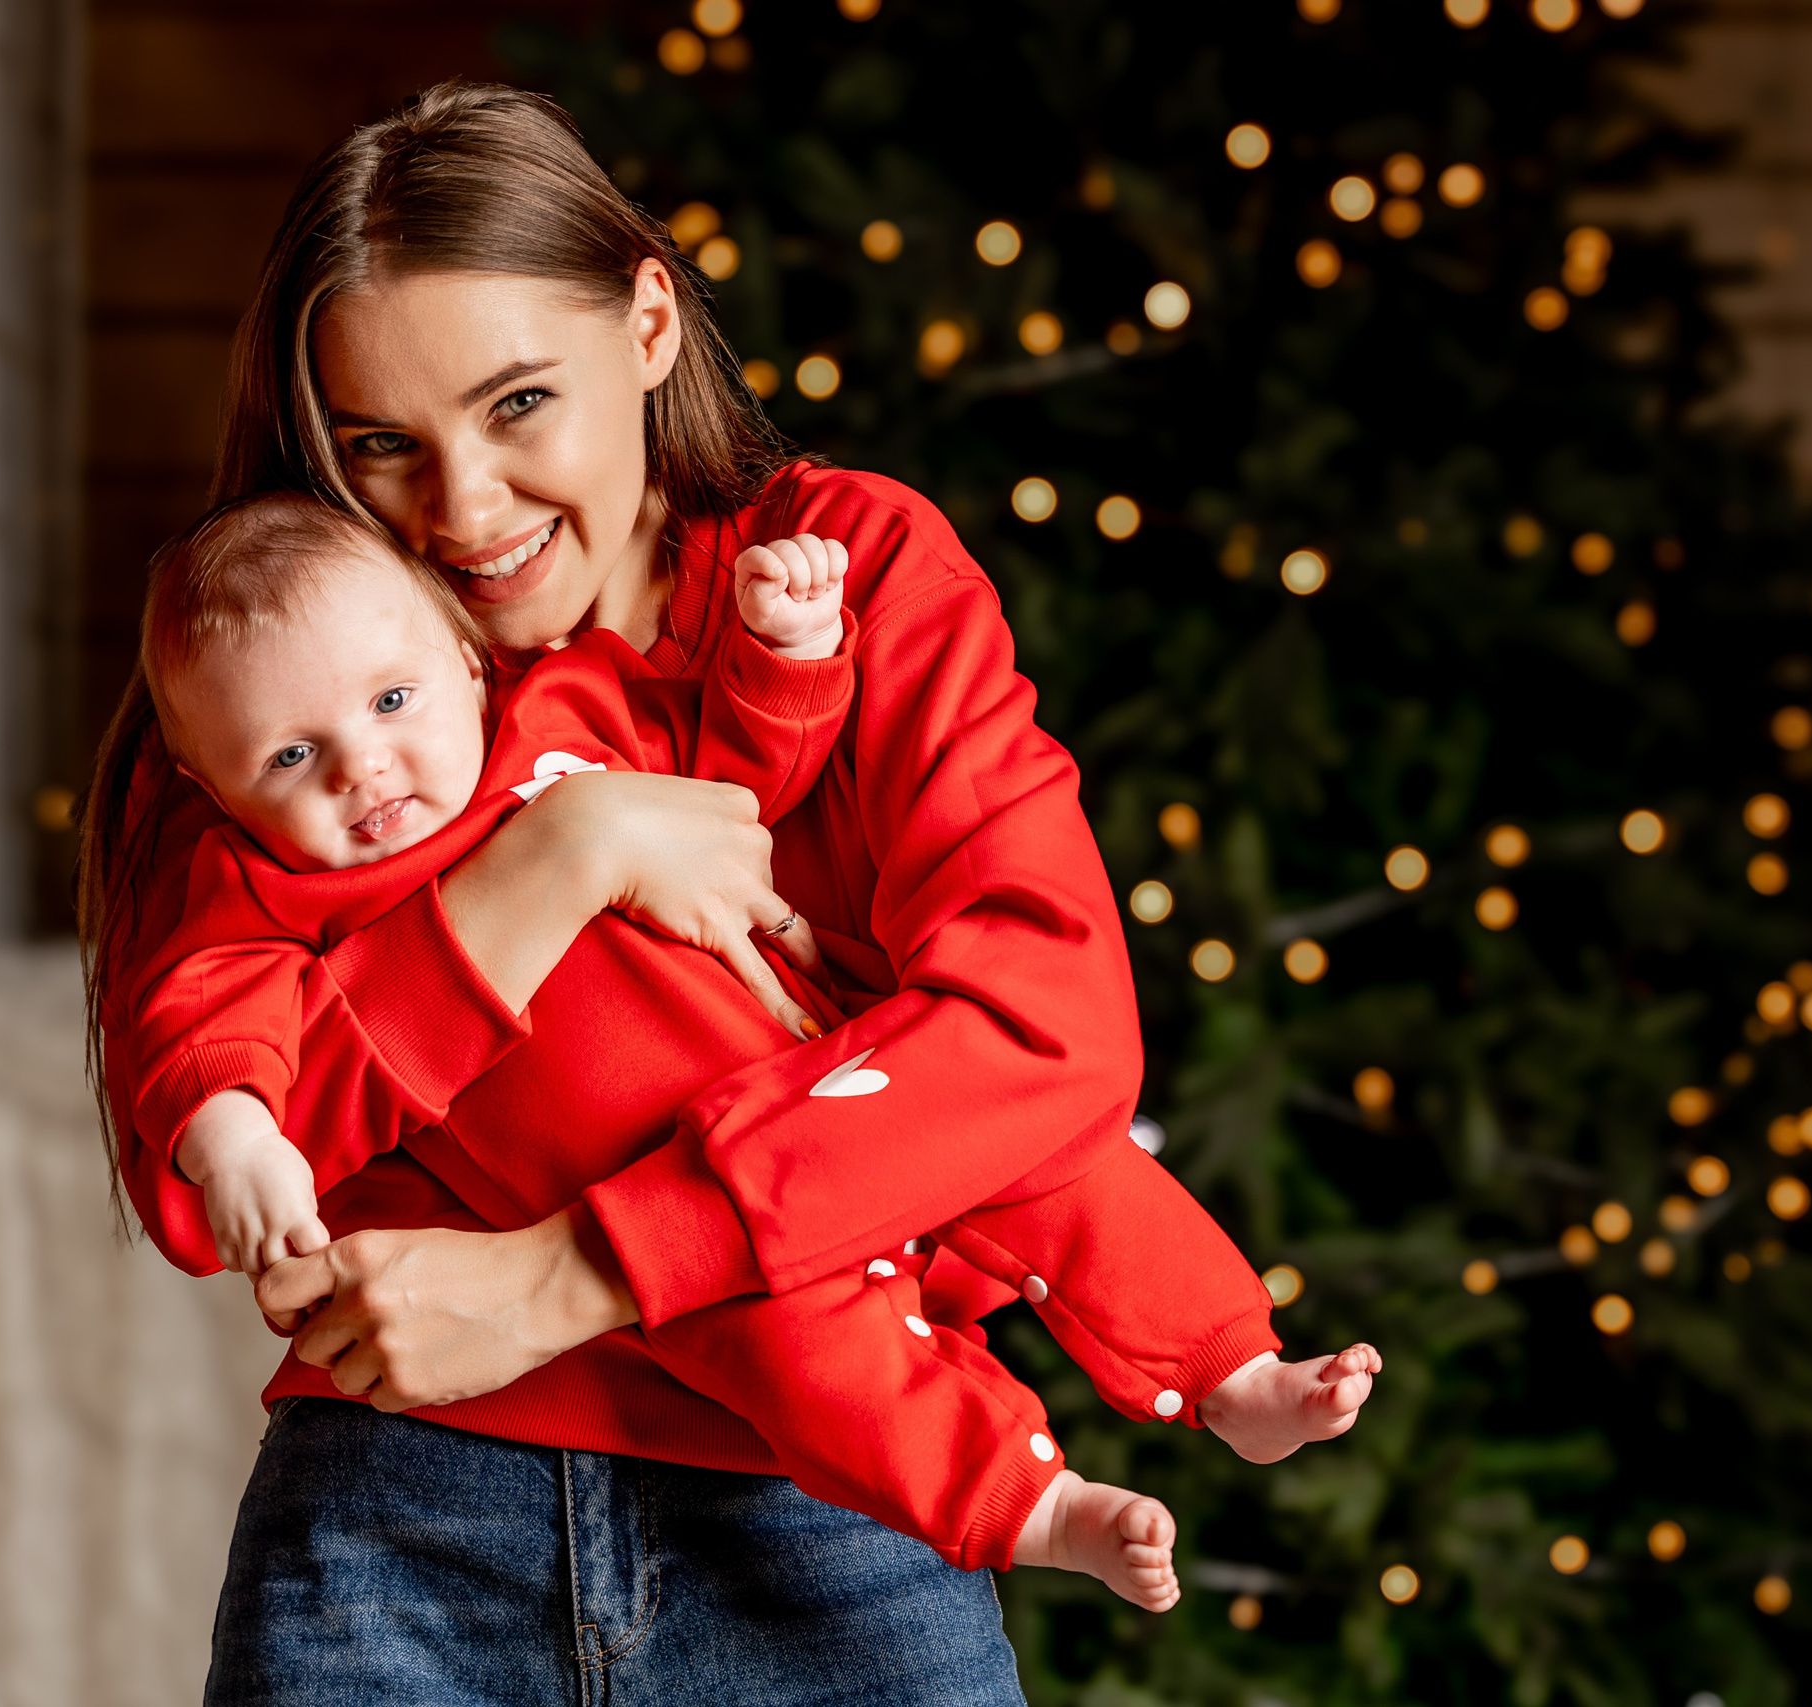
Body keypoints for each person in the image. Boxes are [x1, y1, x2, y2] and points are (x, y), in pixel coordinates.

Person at [82, 82, 1379, 1704]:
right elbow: (209, 1190)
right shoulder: (282, 684)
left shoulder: (849, 571)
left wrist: (568, 1271)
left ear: (646, 319)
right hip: (402, 1517)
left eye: (519, 403)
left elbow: (1040, 1032)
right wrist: (565, 858)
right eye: (382, 446)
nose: (464, 510)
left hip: (832, 1505)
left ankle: (1215, 1355)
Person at [115, 489, 1379, 1614]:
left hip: (830, 1095)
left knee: (1066, 1173)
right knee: (815, 1361)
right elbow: (201, 1016)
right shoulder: (260, 889)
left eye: (392, 702)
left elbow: (734, 786)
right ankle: (1032, 1507)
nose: (365, 768)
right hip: (676, 1236)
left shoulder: (570, 713)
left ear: (461, 653)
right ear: (208, 782)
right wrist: (231, 1131)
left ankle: (1231, 1365)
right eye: (291, 757)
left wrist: (788, 659)